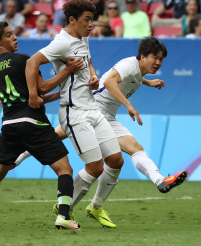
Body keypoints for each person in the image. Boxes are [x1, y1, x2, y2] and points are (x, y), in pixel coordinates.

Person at [0, 21, 84, 230]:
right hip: (32, 122)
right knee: (64, 169)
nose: (15, 37)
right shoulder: (23, 60)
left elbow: (25, 97)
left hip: (9, 125)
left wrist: (60, 95)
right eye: (9, 35)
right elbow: (42, 87)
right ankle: (63, 216)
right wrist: (68, 69)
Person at [14, 37, 189, 195]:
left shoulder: (137, 69)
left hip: (106, 115)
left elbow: (133, 76)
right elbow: (109, 81)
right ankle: (21, 155)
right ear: (142, 56)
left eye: (161, 59)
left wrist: (148, 82)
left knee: (133, 149)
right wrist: (129, 105)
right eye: (155, 58)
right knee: (59, 139)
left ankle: (159, 181)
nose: (158, 62)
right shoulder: (128, 65)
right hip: (91, 109)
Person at [25, 0, 125, 229]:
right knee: (95, 167)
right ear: (72, 20)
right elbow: (32, 63)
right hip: (74, 112)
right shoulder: (61, 43)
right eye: (87, 20)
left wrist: (92, 75)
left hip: (92, 108)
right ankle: (64, 212)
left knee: (116, 160)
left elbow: (87, 59)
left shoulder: (83, 37)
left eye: (92, 19)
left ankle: (80, 206)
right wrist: (33, 94)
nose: (91, 25)